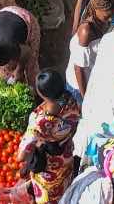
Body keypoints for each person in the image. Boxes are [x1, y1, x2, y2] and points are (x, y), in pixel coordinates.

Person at [18, 70, 81, 204]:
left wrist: (40, 143)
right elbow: (74, 126)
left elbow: (21, 156)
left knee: (48, 197)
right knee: (65, 187)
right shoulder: (72, 101)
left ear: (42, 94)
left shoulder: (39, 121)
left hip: (48, 170)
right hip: (66, 156)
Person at [66, 0, 114, 101]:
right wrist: (85, 98)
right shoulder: (86, 32)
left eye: (112, 15)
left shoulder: (101, 21)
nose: (110, 19)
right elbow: (78, 68)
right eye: (107, 16)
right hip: (79, 86)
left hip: (91, 79)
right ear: (96, 9)